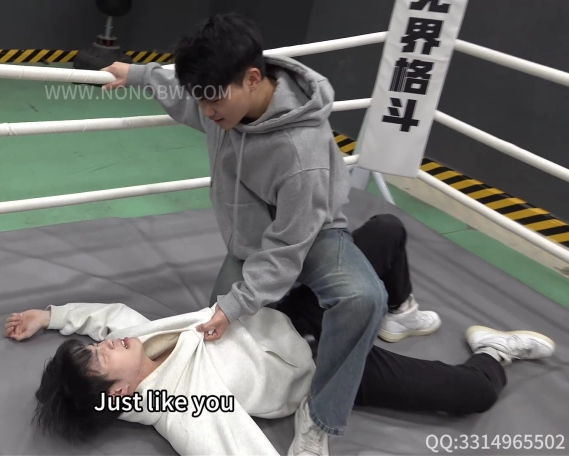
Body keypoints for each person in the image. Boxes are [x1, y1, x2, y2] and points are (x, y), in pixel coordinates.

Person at [97, 12, 442, 446]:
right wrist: (136, 74)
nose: (205, 112)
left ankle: (320, 417)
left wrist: (238, 304)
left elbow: (289, 243)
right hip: (250, 245)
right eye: (201, 99)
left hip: (311, 235)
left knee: (362, 298)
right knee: (211, 338)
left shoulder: (301, 152)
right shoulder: (222, 104)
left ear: (253, 79)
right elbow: (186, 97)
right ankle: (334, 318)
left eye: (213, 101)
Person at [5, 213, 556, 456]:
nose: (106, 345)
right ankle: (495, 350)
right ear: (123, 393)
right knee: (473, 393)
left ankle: (396, 313)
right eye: (99, 359)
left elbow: (108, 315)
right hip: (329, 368)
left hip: (294, 312)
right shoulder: (183, 407)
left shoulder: (133, 338)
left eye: (96, 346)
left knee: (385, 230)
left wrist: (49, 314)